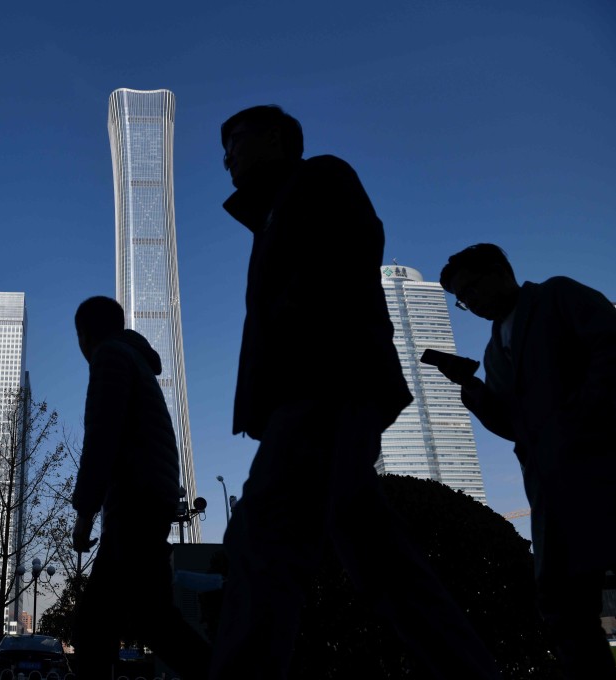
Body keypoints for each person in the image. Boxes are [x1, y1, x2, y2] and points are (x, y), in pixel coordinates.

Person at [210, 105, 500, 679]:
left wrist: (296, 338)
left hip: (324, 383)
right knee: (377, 554)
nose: (227, 160)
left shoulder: (319, 177)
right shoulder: (274, 210)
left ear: (276, 137)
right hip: (316, 389)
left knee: (264, 535)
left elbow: (344, 257)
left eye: (235, 143)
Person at [438, 243, 616, 679]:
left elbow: (612, 345)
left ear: (501, 272)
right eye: (462, 299)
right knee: (560, 606)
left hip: (603, 468)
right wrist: (473, 390)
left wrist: (585, 413)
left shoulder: (557, 297)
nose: (471, 303)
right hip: (549, 491)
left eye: (472, 289)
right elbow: (511, 424)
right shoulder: (494, 350)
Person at [71, 296, 212, 680]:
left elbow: (101, 438)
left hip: (134, 503)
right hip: (151, 499)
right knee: (138, 619)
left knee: (108, 624)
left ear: (85, 335)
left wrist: (85, 514)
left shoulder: (110, 358)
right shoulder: (136, 361)